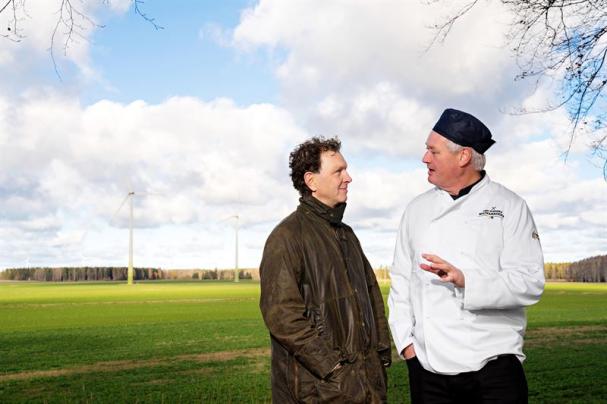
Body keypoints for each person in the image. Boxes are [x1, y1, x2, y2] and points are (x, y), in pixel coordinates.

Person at [388, 108, 545, 403]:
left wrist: (466, 281)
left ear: (462, 157)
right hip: (428, 372)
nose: (425, 158)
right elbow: (400, 280)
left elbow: (529, 282)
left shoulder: (509, 206)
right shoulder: (415, 210)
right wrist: (407, 346)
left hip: (493, 372)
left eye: (432, 151)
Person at [259, 136, 392, 403]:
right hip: (318, 391)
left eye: (346, 169)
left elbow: (371, 296)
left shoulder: (347, 235)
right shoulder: (286, 237)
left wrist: (380, 354)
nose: (348, 178)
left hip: (365, 383)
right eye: (338, 171)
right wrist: (333, 369)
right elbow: (283, 317)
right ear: (311, 181)